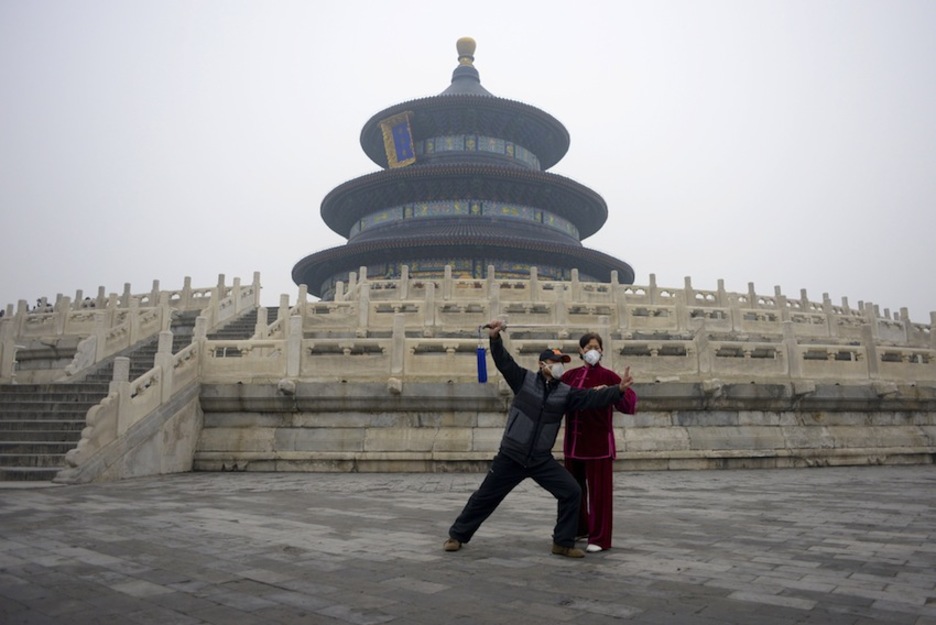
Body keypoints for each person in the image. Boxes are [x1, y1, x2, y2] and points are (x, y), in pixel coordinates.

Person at [443, 319, 634, 559]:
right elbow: (504, 362)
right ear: (542, 364)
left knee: (571, 491)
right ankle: (457, 535)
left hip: (540, 458)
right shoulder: (523, 380)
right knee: (485, 497)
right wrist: (494, 338)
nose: (558, 367)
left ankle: (562, 542)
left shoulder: (565, 392)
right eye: (554, 362)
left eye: (562, 363)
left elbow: (589, 398)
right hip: (512, 454)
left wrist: (617, 391)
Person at [561, 332, 637, 553]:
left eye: (596, 346)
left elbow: (629, 405)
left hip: (599, 446)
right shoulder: (570, 376)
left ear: (602, 350)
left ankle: (600, 538)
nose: (592, 350)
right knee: (573, 490)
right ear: (580, 351)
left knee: (599, 495)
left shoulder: (610, 376)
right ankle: (579, 528)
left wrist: (620, 391)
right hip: (573, 445)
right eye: (587, 347)